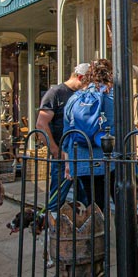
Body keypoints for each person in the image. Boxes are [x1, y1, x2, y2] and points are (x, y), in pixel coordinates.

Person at [59, 59, 115, 210]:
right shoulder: (113, 97)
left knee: (94, 205)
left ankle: (98, 231)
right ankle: (121, 233)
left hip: (82, 158)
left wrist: (67, 162)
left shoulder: (75, 98)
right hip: (110, 160)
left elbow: (67, 134)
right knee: (122, 206)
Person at [36, 63, 91, 211]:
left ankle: (80, 229)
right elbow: (41, 124)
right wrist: (56, 151)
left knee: (84, 199)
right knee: (57, 197)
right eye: (87, 82)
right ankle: (53, 229)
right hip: (63, 154)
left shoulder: (83, 94)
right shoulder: (56, 92)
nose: (88, 86)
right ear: (79, 77)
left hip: (81, 153)